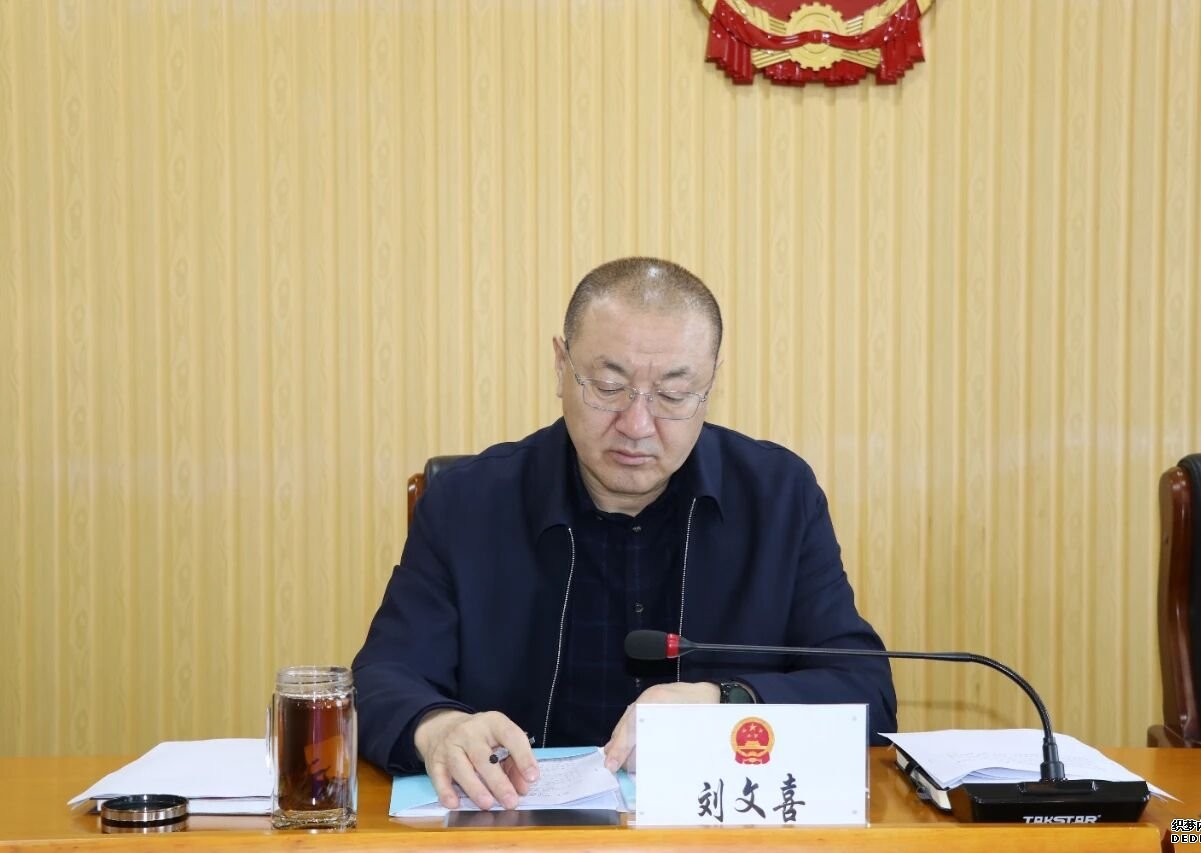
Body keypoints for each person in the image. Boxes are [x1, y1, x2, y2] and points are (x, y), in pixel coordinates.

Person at [352, 257, 896, 809]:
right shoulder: (468, 503)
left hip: (715, 835)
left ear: (711, 382)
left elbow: (865, 692)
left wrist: (724, 702)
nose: (637, 426)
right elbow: (383, 676)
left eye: (674, 394)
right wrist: (438, 728)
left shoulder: (778, 496)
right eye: (609, 387)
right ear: (560, 365)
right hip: (517, 832)